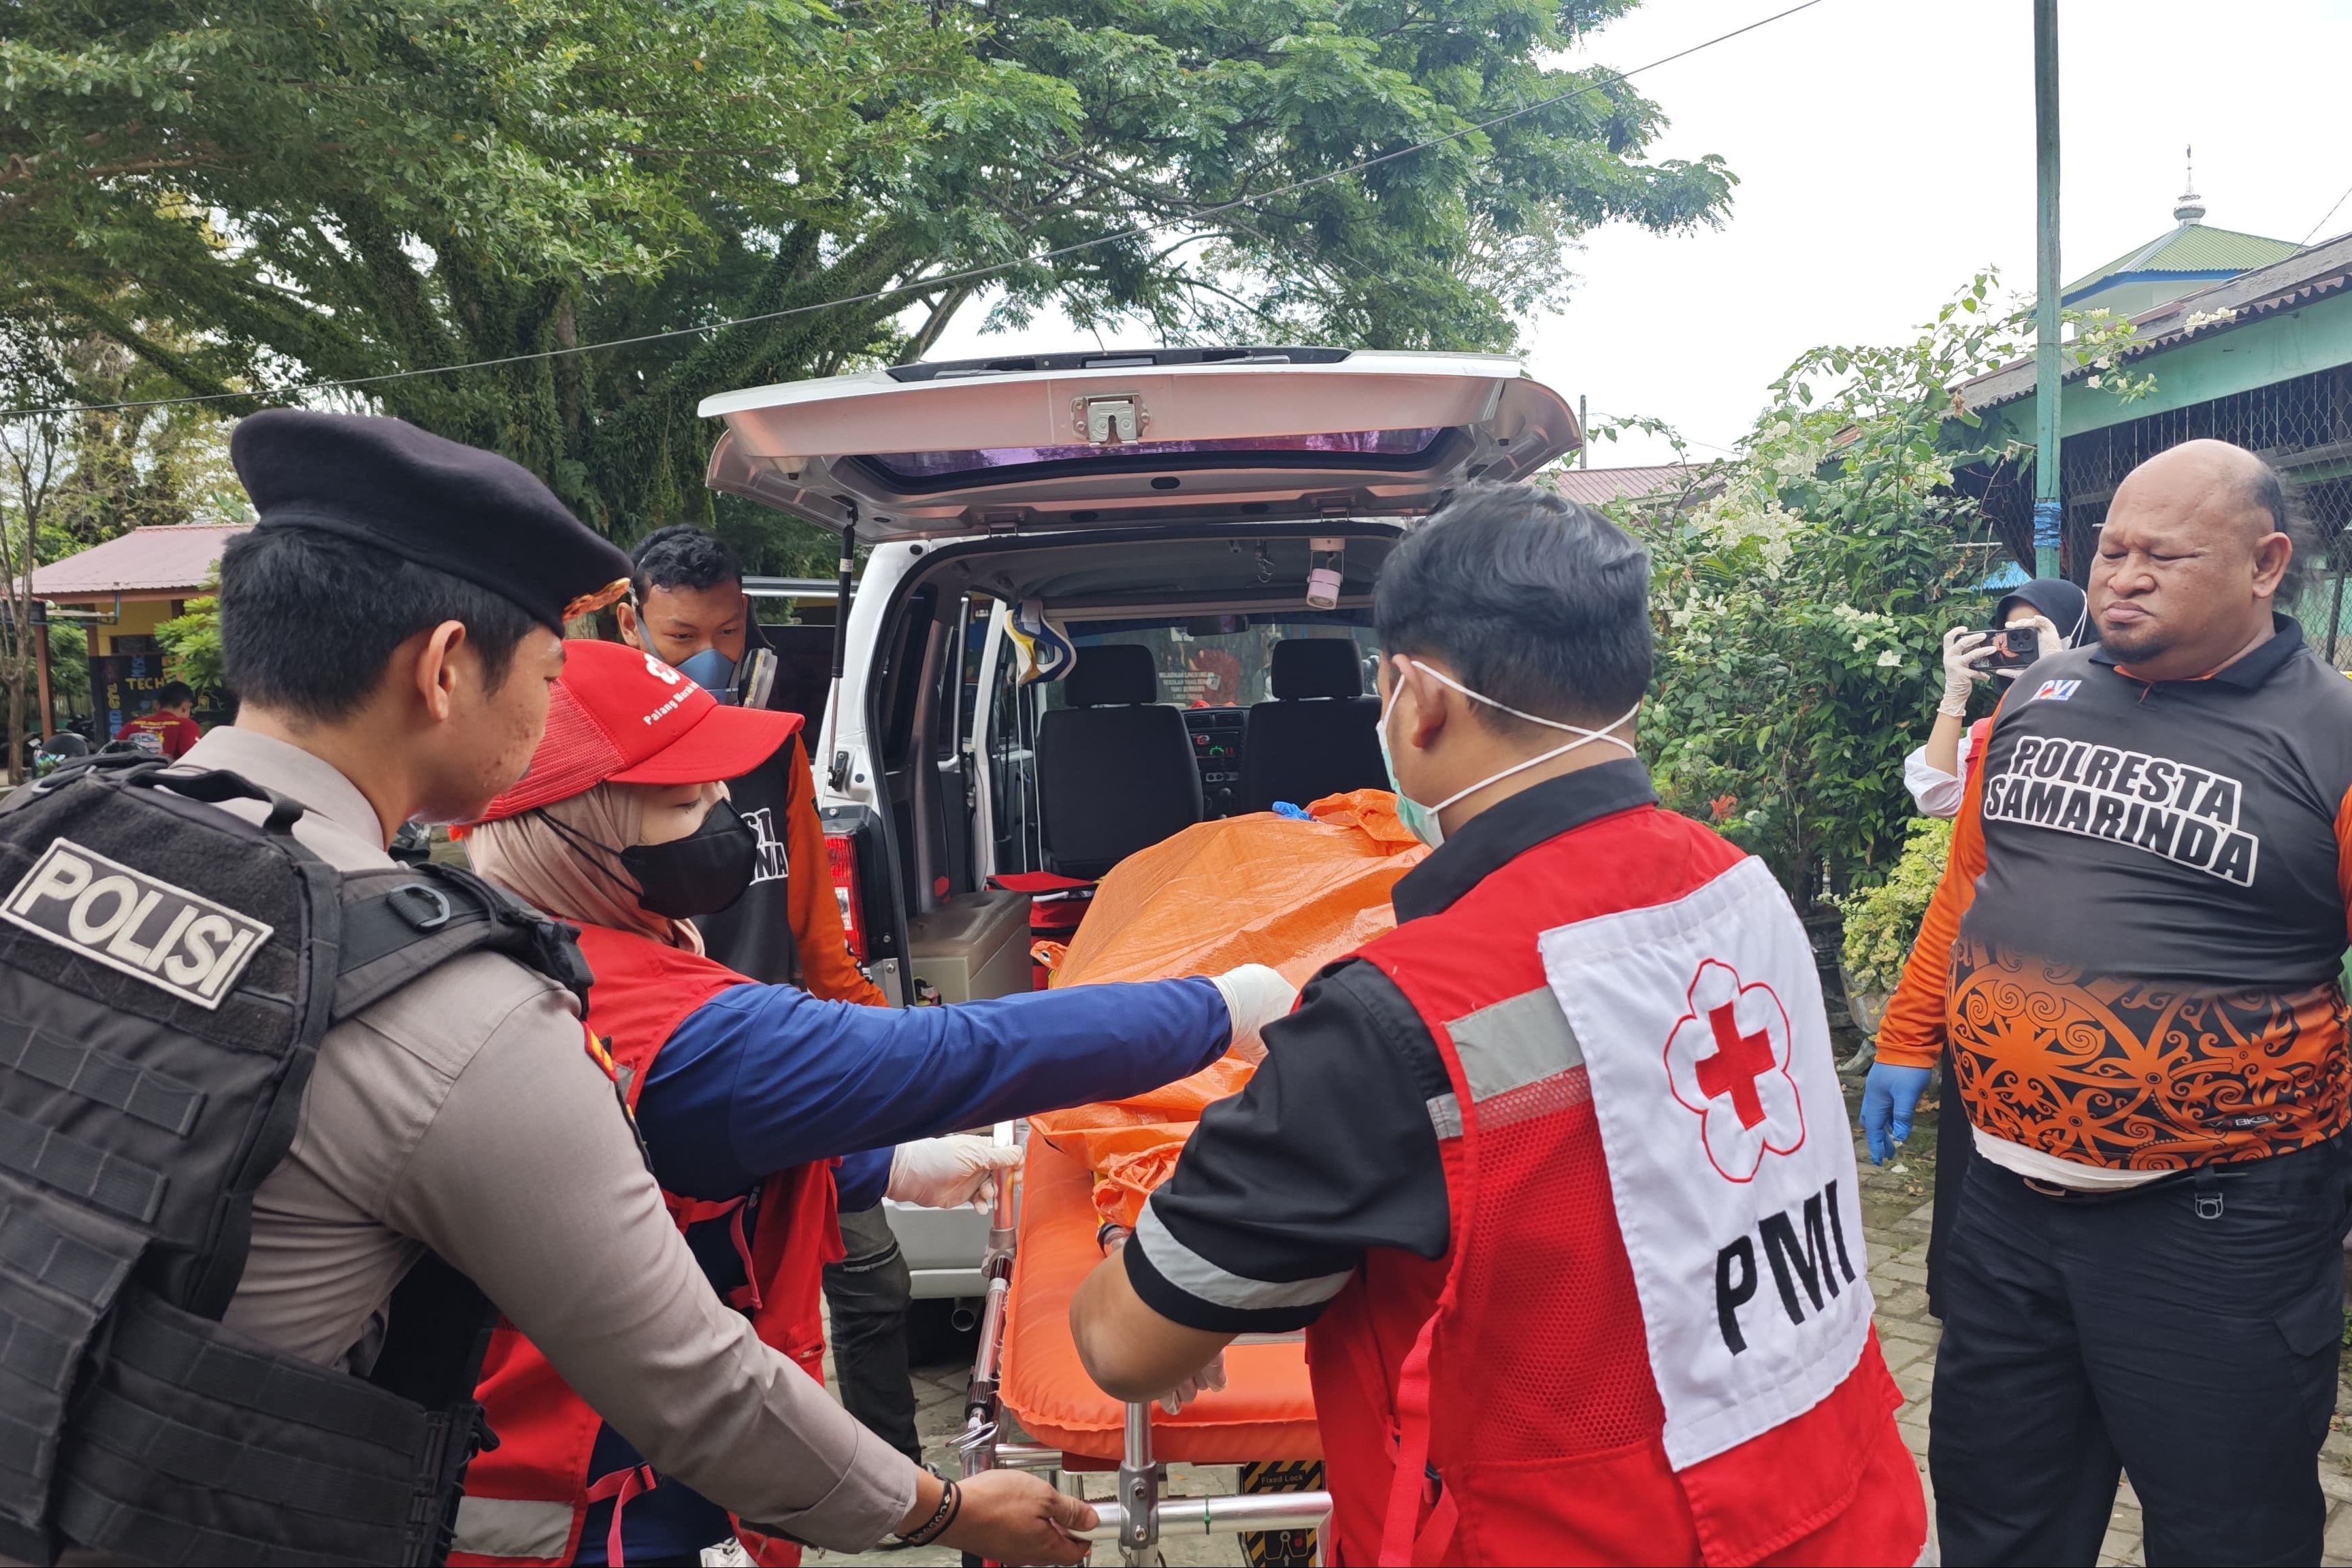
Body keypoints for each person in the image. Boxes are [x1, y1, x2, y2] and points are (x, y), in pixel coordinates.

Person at [0, 410, 1099, 1567]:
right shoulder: (450, 1010)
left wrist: (873, 1162)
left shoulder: (43, 842)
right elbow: (692, 1383)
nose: (547, 715)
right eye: (543, 673)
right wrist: (938, 1509)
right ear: (442, 670)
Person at [1067, 484, 1927, 1567]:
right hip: (1835, 1506)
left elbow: (1127, 1345)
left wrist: (1128, 1243)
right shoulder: (1739, 890)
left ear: (1419, 699)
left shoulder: (1397, 1014)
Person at [451, 638, 1294, 1566]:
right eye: (686, 805)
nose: (726, 817)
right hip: (587, 1518)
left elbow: (661, 1157)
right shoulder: (671, 1024)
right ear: (572, 830)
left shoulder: (526, 952)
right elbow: (953, 1057)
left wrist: (879, 1166)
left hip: (591, 1474)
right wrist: (1222, 1008)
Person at [1862, 439, 2352, 1566]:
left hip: (2220, 1224)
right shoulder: (2040, 695)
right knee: (1999, 1513)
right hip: (2005, 1205)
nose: (2123, 576)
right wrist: (1906, 1036)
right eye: (2110, 550)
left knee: (2227, 1531)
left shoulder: (2329, 736)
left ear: (2265, 564)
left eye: (2162, 556)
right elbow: (1970, 884)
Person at [613, 524, 928, 1473]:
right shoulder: (600, 765)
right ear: (630, 625)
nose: (710, 658)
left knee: (871, 1280)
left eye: (729, 632)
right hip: (673, 1077)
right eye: (681, 637)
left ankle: (892, 1479)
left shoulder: (769, 749)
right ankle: (730, 1498)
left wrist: (901, 1060)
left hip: (788, 1058)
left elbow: (819, 941)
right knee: (709, 1308)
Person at [1905, 579, 2088, 817]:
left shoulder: (2111, 718)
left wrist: (2057, 679)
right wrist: (1953, 700)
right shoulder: (1987, 734)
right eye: (2013, 635)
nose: (2022, 647)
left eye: (2033, 634)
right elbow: (1937, 802)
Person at [114, 679, 203, 758]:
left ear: (157, 705)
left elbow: (112, 756)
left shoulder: (132, 725)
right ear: (185, 707)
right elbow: (196, 760)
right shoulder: (186, 725)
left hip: (134, 771)